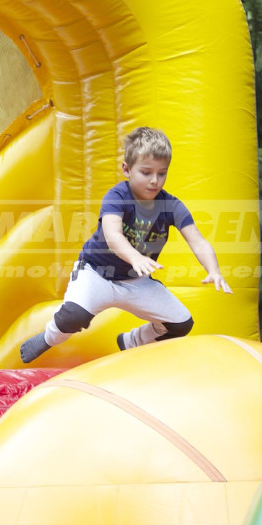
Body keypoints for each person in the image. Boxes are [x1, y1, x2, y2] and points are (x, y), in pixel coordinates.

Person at [20, 127, 231, 363]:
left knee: (181, 323)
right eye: (146, 172)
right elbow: (113, 235)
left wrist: (213, 270)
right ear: (126, 169)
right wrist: (135, 257)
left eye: (162, 173)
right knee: (73, 316)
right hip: (96, 273)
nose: (155, 180)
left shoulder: (171, 205)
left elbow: (197, 240)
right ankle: (49, 337)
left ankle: (132, 342)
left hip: (135, 281)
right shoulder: (117, 196)